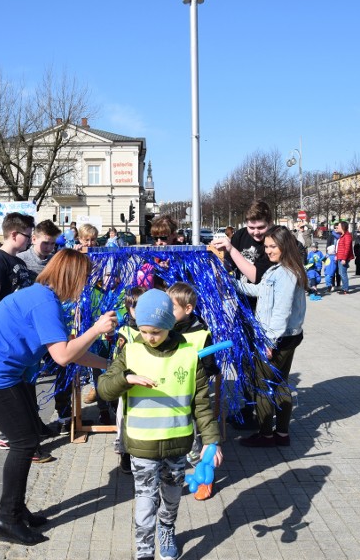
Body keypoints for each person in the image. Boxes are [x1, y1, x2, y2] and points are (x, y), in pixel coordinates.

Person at [0, 249, 117, 546]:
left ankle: (17, 510)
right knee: (23, 442)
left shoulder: (42, 296)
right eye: (84, 278)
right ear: (71, 276)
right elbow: (63, 356)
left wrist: (109, 365)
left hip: (2, 372)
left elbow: (70, 349)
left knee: (30, 436)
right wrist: (97, 330)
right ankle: (8, 519)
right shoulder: (44, 302)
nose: (85, 285)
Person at [97, 288, 222, 560]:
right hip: (142, 445)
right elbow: (104, 388)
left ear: (169, 325)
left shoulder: (189, 355)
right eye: (144, 331)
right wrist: (126, 379)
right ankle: (144, 550)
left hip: (178, 444)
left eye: (156, 331)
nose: (150, 338)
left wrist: (211, 440)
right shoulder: (130, 352)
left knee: (172, 496)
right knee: (144, 500)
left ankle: (167, 529)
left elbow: (201, 401)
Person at [215, 225, 306, 448]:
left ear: (285, 246)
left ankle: (266, 435)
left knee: (264, 384)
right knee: (280, 383)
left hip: (277, 339)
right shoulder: (280, 269)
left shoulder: (285, 274)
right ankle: (281, 434)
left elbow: (281, 311)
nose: (267, 251)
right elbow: (259, 291)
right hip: (284, 337)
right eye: (266, 247)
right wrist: (230, 283)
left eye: (272, 246)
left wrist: (270, 342)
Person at [167, 282, 220, 501]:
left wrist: (197, 369)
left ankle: (204, 476)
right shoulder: (167, 328)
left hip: (193, 393)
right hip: (171, 393)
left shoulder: (200, 333)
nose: (167, 312)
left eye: (172, 308)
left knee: (193, 441)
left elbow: (209, 366)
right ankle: (174, 478)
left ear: (187, 309)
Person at [110, 286, 146, 473]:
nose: (139, 312)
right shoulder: (126, 331)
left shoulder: (153, 328)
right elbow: (119, 356)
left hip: (146, 382)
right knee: (123, 416)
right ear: (129, 308)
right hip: (128, 382)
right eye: (135, 308)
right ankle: (124, 452)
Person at [0, 213, 33, 313]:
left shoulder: (20, 262)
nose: (30, 241)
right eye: (27, 236)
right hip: (4, 323)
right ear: (14, 235)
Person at [335, 221, 354, 294]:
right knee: (341, 273)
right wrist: (337, 256)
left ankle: (345, 289)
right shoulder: (342, 235)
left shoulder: (347, 236)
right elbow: (338, 247)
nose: (337, 227)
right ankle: (344, 287)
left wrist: (344, 258)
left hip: (344, 258)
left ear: (343, 227)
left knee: (343, 273)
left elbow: (347, 248)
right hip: (340, 257)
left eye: (339, 226)